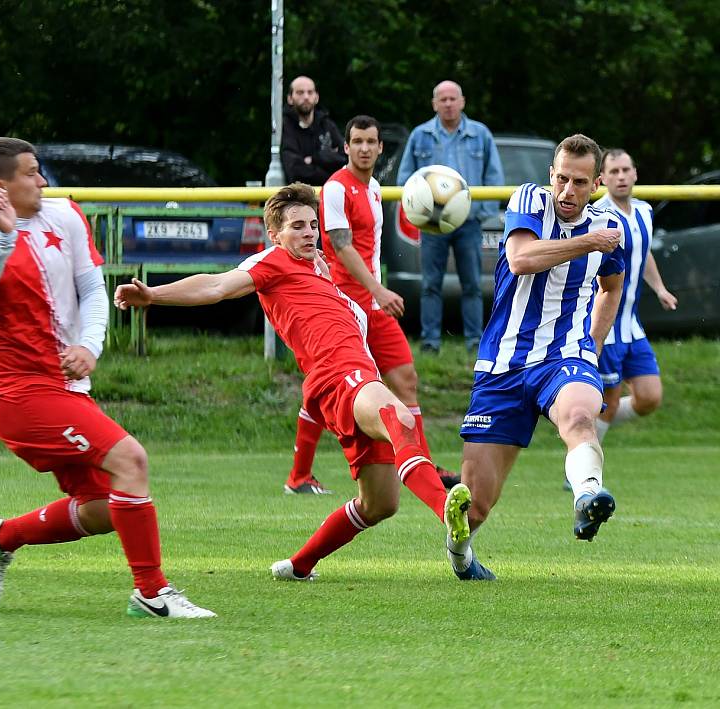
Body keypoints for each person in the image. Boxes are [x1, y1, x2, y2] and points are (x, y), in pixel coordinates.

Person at [114, 183, 471, 581]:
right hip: (338, 377)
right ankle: (448, 513)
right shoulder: (272, 262)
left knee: (379, 504)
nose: (308, 233)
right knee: (397, 416)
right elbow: (216, 286)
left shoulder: (321, 275)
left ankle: (299, 565)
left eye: (313, 225)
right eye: (297, 226)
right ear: (275, 235)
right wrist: (153, 295)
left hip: (355, 378)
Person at [0, 137, 214, 619]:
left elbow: (93, 288)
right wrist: (6, 236)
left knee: (105, 508)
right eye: (31, 173)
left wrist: (89, 347)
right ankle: (151, 593)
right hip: (19, 395)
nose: (43, 181)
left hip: (67, 388)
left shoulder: (65, 215)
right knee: (132, 460)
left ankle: (2, 536)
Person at [449, 134, 627, 581]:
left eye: (580, 183)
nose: (568, 191)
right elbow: (522, 258)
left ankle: (587, 495)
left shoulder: (607, 225)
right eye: (562, 178)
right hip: (503, 365)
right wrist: (589, 241)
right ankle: (460, 557)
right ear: (551, 174)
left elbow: (613, 286)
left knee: (580, 419)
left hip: (565, 357)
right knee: (476, 504)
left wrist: (595, 342)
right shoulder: (530, 199)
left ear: (597, 183)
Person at [283, 115, 459, 494]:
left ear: (381, 148)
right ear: (346, 147)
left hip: (372, 303)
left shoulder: (376, 188)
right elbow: (341, 245)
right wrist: (377, 290)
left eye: (371, 142)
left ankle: (424, 464)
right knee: (325, 388)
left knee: (405, 379)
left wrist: (377, 294)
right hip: (344, 303)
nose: (364, 148)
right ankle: (298, 476)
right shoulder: (334, 188)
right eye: (357, 141)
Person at [397, 80, 504, 354]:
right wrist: (417, 216)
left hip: (468, 223)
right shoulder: (420, 135)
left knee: (472, 285)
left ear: (462, 101)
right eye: (442, 99)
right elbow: (405, 179)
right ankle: (430, 342)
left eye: (452, 98)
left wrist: (482, 214)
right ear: (434, 104)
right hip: (432, 226)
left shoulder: (480, 135)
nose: (447, 104)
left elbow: (494, 177)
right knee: (430, 284)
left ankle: (475, 343)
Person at [593, 149, 678, 441]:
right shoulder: (599, 217)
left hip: (632, 324)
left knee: (649, 397)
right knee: (609, 400)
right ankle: (582, 466)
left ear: (635, 174)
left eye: (625, 170)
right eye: (613, 172)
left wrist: (660, 288)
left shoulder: (644, 211)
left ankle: (581, 427)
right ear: (602, 178)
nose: (620, 176)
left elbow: (643, 254)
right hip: (607, 325)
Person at [280, 75, 347, 185]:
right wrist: (331, 173)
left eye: (310, 92)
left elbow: (346, 158)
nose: (306, 97)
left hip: (329, 197)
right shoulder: (285, 127)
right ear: (290, 98)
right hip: (299, 198)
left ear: (317, 97)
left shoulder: (327, 124)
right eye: (300, 92)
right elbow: (295, 171)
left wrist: (314, 159)